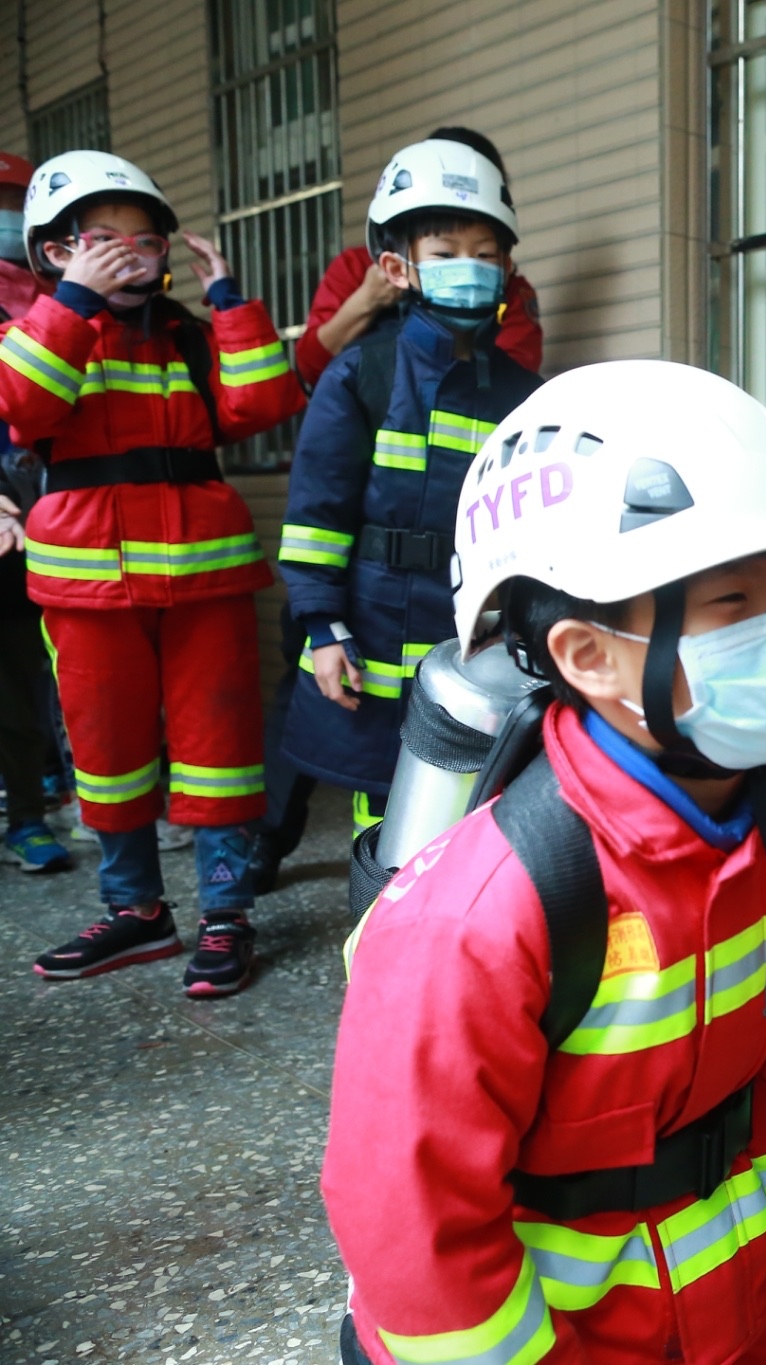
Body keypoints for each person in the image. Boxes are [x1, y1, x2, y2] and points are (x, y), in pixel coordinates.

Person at [323, 361, 766, 1365]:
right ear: (586, 655)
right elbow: (418, 1250)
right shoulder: (477, 917)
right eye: (730, 600)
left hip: (756, 1291)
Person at [3, 150, 302, 996]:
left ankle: (225, 916)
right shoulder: (34, 335)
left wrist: (231, 302)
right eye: (104, 239)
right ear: (55, 252)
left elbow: (266, 406)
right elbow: (22, 408)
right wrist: (73, 305)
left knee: (220, 754)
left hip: (204, 582)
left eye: (145, 240)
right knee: (107, 755)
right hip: (87, 584)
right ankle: (135, 912)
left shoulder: (191, 338)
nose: (132, 254)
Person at [274, 138, 543, 844]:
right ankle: (378, 942)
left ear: (509, 269)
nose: (471, 269)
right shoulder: (363, 373)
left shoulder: (526, 396)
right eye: (447, 251)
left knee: (472, 801)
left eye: (486, 254)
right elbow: (316, 515)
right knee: (382, 815)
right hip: (369, 628)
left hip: (472, 636)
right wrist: (321, 626)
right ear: (398, 267)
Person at [294, 126, 541, 387]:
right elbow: (310, 366)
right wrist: (367, 300)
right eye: (444, 253)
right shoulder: (356, 267)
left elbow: (517, 380)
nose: (467, 264)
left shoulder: (508, 288)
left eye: (484, 253)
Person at [0, 149, 70, 874]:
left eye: (17, 200)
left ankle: (26, 811)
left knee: (24, 681)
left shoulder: (56, 298)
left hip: (39, 520)